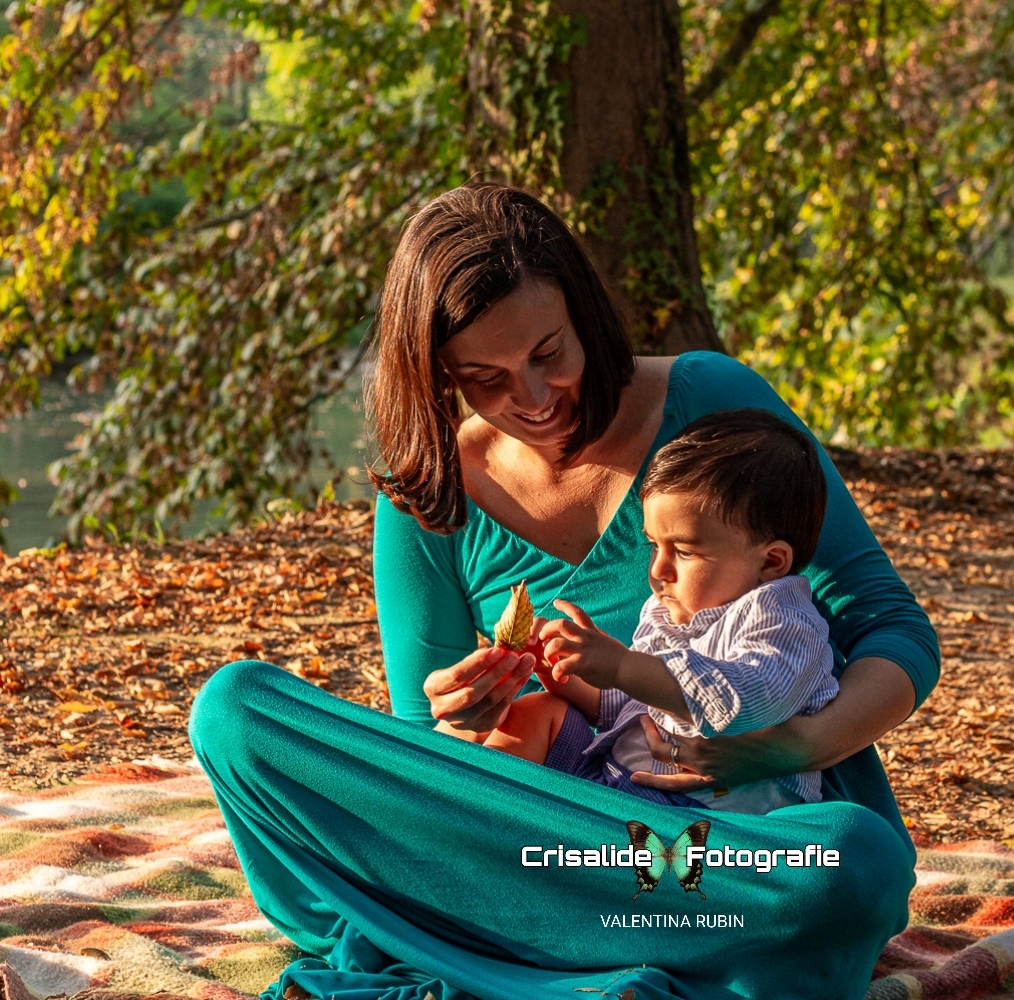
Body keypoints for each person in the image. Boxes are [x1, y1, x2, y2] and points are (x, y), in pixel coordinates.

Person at [189, 183, 940, 1000]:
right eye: (486, 376)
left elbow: (892, 629)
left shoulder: (711, 403)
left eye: (549, 353)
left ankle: (487, 950)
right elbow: (440, 781)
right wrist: (460, 721)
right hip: (556, 841)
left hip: (722, 849)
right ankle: (601, 958)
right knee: (235, 710)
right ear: (436, 372)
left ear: (583, 313)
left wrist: (796, 745)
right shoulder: (426, 492)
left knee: (846, 864)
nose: (536, 398)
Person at [439, 409, 840, 817]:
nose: (658, 571)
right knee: (536, 712)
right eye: (653, 545)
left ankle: (494, 836)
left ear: (771, 562)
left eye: (684, 551)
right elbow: (625, 708)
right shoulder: (668, 610)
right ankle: (478, 825)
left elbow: (742, 701)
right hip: (616, 783)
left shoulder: (784, 619)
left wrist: (620, 666)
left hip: (705, 815)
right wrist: (562, 671)